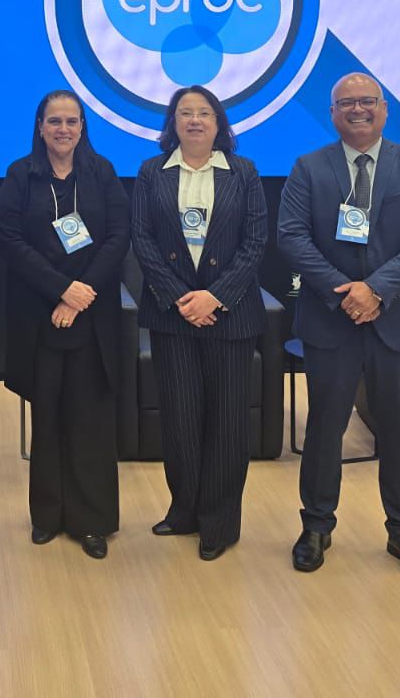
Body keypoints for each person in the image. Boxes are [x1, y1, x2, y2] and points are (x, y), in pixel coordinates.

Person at [277, 71, 400, 585]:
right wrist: (345, 291)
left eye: (367, 101)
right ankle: (315, 527)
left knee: (398, 430)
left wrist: (375, 290)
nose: (357, 109)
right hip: (331, 321)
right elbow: (291, 237)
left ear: (384, 108)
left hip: (397, 319)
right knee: (325, 428)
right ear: (332, 113)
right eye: (345, 102)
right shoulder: (309, 168)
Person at [129, 84, 268, 562]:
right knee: (182, 420)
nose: (194, 120)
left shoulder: (244, 173)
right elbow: (142, 240)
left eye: (204, 113)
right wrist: (180, 297)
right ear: (172, 124)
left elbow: (254, 244)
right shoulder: (152, 173)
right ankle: (184, 509)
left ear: (219, 123)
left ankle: (219, 523)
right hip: (173, 315)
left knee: (228, 423)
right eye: (184, 113)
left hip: (229, 315)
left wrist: (214, 296)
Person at [0, 90, 129, 559]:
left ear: (82, 126)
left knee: (90, 420)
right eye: (55, 121)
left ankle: (91, 521)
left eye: (72, 121)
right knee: (48, 418)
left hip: (91, 317)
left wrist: (81, 293)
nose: (64, 129)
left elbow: (117, 235)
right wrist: (60, 290)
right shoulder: (20, 175)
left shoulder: (102, 171)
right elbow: (8, 239)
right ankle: (47, 515)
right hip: (41, 314)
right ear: (40, 127)